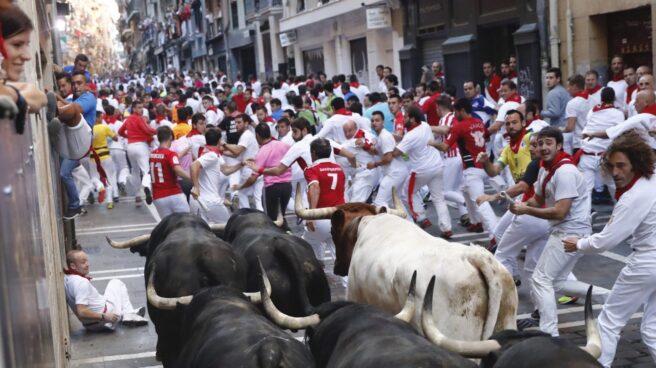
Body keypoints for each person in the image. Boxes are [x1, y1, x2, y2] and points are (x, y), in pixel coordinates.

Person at [563, 131, 656, 367]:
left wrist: (579, 243)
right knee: (652, 327)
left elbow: (605, 241)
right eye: (612, 166)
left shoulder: (633, 196)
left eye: (622, 165)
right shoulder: (652, 179)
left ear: (636, 164)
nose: (616, 172)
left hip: (646, 263)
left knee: (608, 322)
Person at [509, 127, 609, 337]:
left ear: (559, 145)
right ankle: (611, 297)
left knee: (540, 279)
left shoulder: (564, 171)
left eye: (548, 143)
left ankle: (549, 334)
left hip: (570, 231)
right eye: (540, 143)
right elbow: (538, 198)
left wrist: (526, 209)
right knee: (558, 282)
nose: (543, 147)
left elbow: (561, 212)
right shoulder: (546, 168)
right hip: (568, 230)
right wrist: (520, 203)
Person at [432, 98, 496, 237]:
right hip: (483, 166)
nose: (454, 115)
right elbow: (487, 137)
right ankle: (476, 222)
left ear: (461, 111)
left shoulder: (459, 126)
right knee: (465, 191)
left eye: (455, 111)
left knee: (481, 202)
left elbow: (444, 147)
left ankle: (495, 236)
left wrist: (430, 142)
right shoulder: (479, 122)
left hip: (472, 169)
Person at [396, 105, 453, 238]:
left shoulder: (410, 135)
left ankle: (421, 218)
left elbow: (396, 152)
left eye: (406, 116)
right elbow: (407, 141)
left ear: (413, 119)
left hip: (421, 170)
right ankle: (447, 228)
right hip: (437, 166)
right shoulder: (425, 125)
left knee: (407, 192)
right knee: (439, 198)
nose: (403, 118)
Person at [64, 249, 147, 331]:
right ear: (73, 266)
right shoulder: (81, 282)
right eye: (83, 262)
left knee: (112, 292)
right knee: (116, 283)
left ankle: (128, 313)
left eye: (87, 261)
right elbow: (81, 311)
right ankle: (128, 314)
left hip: (90, 325)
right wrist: (104, 316)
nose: (87, 264)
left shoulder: (67, 279)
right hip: (105, 319)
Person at [238, 123, 292, 229]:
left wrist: (241, 186)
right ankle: (286, 233)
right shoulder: (284, 145)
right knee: (281, 216)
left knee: (271, 220)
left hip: (272, 188)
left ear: (257, 135)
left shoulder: (262, 151)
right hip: (287, 186)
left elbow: (253, 178)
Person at [302, 138, 346, 266]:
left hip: (321, 218)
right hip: (339, 218)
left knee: (302, 246)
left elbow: (315, 187)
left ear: (314, 153)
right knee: (339, 258)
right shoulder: (339, 168)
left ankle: (316, 269)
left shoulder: (311, 169)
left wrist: (311, 215)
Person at [577, 87, 623, 203]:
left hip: (587, 155)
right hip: (605, 157)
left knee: (586, 191)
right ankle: (620, 214)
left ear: (601, 98)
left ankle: (585, 218)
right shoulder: (618, 114)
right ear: (614, 99)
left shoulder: (592, 111)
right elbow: (620, 134)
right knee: (614, 187)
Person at [190, 129, 241, 223]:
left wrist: (241, 164)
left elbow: (226, 170)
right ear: (219, 141)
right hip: (210, 202)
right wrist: (196, 187)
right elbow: (194, 165)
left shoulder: (213, 154)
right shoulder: (212, 155)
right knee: (229, 227)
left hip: (200, 201)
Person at [368, 111, 409, 210]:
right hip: (397, 172)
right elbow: (380, 152)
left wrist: (374, 164)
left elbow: (388, 158)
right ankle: (409, 223)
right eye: (372, 121)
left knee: (380, 202)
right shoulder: (381, 136)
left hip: (394, 173)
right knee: (395, 202)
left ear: (383, 122)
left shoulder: (384, 136)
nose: (374, 123)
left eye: (377, 120)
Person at [118, 100, 157, 205]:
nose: (141, 110)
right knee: (146, 171)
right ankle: (147, 187)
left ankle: (137, 195)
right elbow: (147, 130)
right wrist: (157, 131)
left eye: (142, 107)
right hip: (141, 146)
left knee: (134, 171)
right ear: (134, 109)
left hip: (130, 146)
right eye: (139, 108)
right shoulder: (140, 119)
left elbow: (120, 132)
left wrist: (129, 137)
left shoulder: (128, 119)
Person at [221, 114, 263, 210]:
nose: (236, 125)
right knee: (257, 199)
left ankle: (246, 216)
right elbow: (237, 154)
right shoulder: (246, 135)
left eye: (239, 122)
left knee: (240, 193)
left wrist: (224, 144)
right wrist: (222, 151)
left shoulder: (246, 135)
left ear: (246, 123)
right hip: (256, 171)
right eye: (235, 122)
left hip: (249, 171)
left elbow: (237, 151)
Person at [150, 126, 191, 218]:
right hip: (174, 194)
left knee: (168, 226)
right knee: (185, 222)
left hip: (158, 197)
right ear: (171, 137)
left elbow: (166, 160)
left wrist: (181, 153)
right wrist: (191, 178)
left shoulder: (152, 154)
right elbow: (177, 170)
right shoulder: (170, 154)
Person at [341, 120, 379, 202]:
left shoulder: (357, 139)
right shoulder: (366, 135)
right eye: (345, 132)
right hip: (365, 174)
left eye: (350, 130)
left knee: (355, 204)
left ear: (356, 128)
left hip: (367, 174)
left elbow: (375, 150)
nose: (347, 134)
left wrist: (366, 145)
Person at [89, 106, 117, 209]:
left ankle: (100, 187)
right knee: (109, 177)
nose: (102, 119)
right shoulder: (105, 127)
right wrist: (115, 135)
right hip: (105, 155)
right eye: (101, 117)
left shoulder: (90, 128)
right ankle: (109, 201)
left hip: (94, 156)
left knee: (94, 177)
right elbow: (115, 138)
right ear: (98, 118)